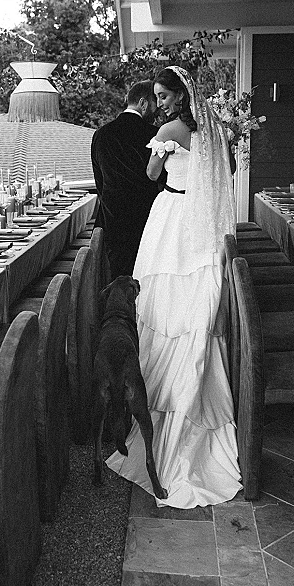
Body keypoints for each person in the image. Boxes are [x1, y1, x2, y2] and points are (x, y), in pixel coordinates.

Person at [107, 66, 242, 508]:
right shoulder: (216, 129)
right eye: (159, 97)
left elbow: (150, 174)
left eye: (165, 96)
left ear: (181, 95)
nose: (160, 103)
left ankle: (165, 408)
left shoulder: (169, 130)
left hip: (173, 219)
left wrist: (163, 150)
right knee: (192, 310)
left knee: (163, 308)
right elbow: (230, 167)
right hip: (202, 227)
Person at [91, 81, 160, 280]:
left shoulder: (100, 134)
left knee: (116, 280)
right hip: (146, 220)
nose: (157, 112)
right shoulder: (153, 135)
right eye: (155, 104)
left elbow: (100, 182)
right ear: (143, 103)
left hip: (111, 221)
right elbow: (160, 179)